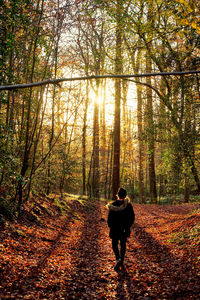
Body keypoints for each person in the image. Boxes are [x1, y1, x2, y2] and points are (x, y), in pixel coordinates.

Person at [106, 187, 135, 271]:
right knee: (123, 244)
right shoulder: (128, 205)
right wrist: (128, 226)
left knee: (114, 244)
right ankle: (121, 259)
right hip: (124, 229)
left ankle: (118, 258)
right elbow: (132, 217)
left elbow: (109, 218)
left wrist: (110, 225)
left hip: (115, 228)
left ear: (118, 195)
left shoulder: (113, 205)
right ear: (125, 195)